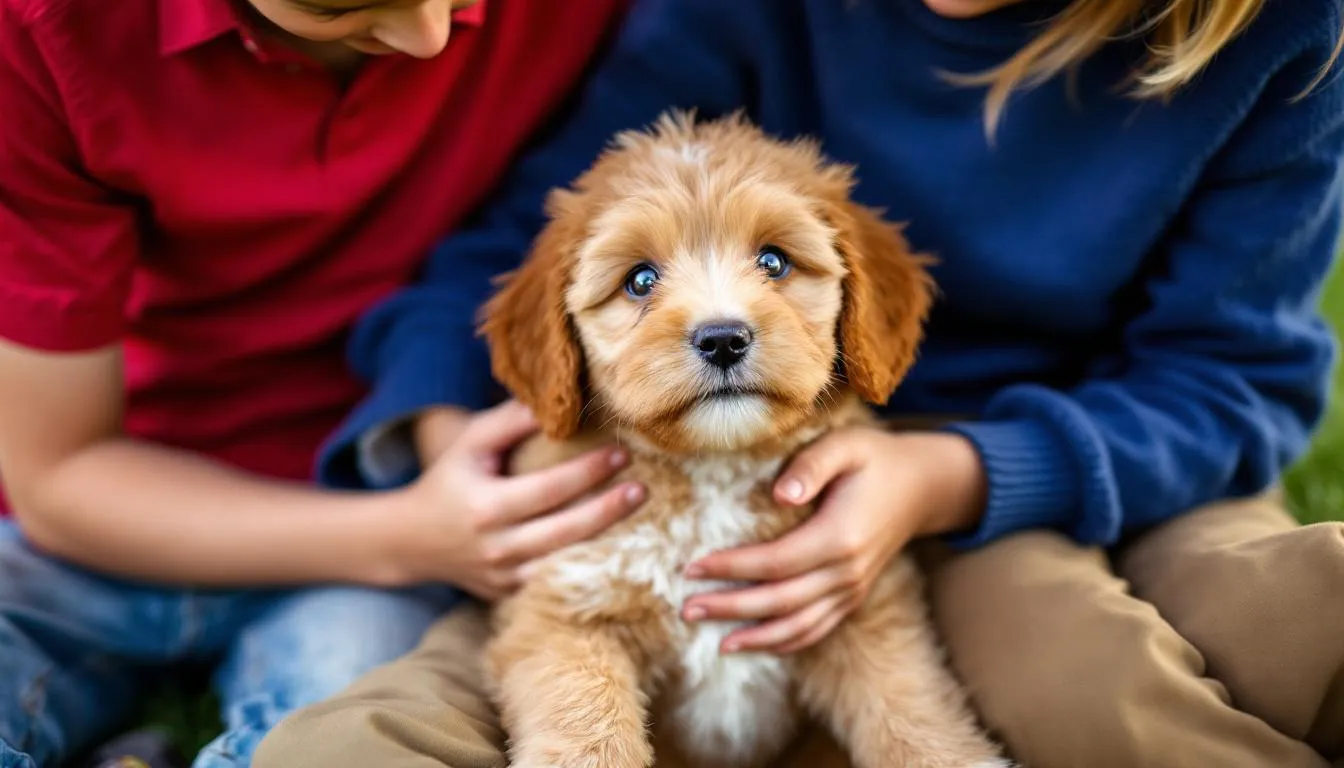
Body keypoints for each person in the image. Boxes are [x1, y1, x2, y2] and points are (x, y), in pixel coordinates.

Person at [251, 0, 1344, 766]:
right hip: (782, 471)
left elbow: (1229, 378)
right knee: (356, 742)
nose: (721, 319)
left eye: (773, 264)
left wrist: (951, 473)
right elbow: (524, 246)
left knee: (1201, 641)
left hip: (1121, 455)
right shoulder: (732, 15)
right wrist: (453, 441)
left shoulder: (1281, 33)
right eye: (644, 282)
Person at [0, 0, 640, 766]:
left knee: (355, 742)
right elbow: (58, 474)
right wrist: (412, 538)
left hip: (380, 492)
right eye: (336, 6)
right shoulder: (43, 28)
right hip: (112, 512)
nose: (430, 38)